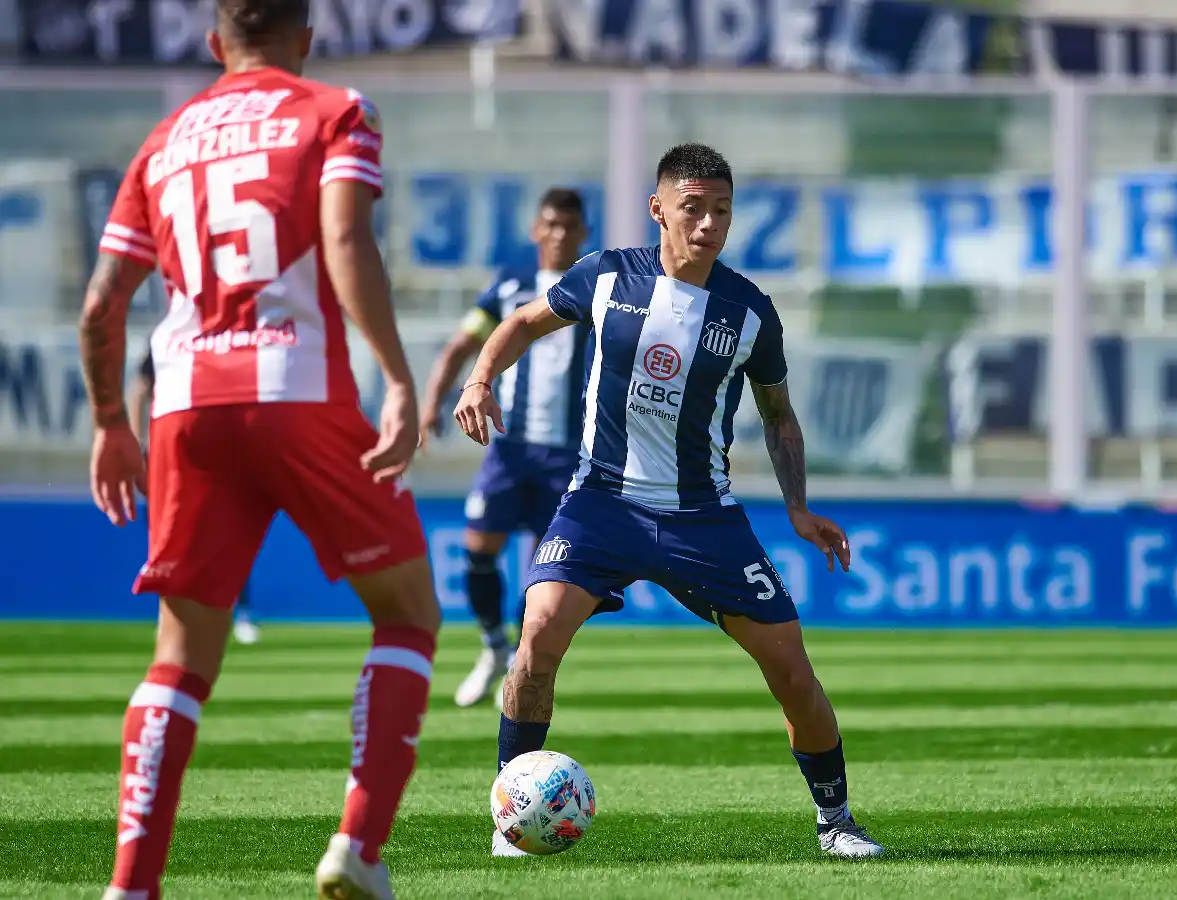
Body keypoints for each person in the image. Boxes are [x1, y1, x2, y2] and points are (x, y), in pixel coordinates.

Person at [80, 2, 440, 898]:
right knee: (405, 613)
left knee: (178, 657)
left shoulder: (164, 140)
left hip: (187, 408)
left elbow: (100, 307)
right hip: (296, 388)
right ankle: (357, 846)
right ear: (306, 36)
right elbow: (346, 239)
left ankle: (131, 885)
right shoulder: (334, 111)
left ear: (215, 43)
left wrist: (107, 423)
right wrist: (397, 377)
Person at [455, 143, 886, 860]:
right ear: (658, 209)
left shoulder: (749, 312)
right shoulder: (606, 276)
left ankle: (836, 822)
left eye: (722, 210)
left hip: (702, 518)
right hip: (599, 505)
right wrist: (478, 381)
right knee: (533, 646)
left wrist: (798, 509)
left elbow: (779, 416)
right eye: (693, 208)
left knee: (791, 671)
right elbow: (523, 323)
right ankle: (513, 812)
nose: (709, 224)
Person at [420, 188, 590, 709]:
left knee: (547, 572)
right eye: (551, 225)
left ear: (582, 233)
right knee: (478, 550)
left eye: (569, 226)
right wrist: (431, 404)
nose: (559, 234)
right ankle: (493, 646)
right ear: (537, 230)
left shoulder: (595, 285)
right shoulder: (510, 287)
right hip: (509, 450)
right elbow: (461, 344)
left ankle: (520, 659)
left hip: (567, 455)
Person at [128, 346, 261, 645]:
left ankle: (241, 612)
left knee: (231, 534)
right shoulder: (167, 336)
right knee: (172, 537)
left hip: (221, 453)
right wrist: (138, 443)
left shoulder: (233, 335)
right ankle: (172, 615)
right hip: (173, 454)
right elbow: (140, 389)